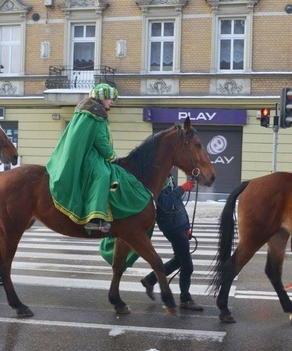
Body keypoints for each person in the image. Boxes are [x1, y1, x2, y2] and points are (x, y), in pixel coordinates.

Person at [46, 83, 151, 233]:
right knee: (103, 174)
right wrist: (112, 157)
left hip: (87, 153)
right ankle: (95, 218)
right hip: (90, 155)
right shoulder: (96, 114)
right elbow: (100, 140)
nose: (112, 102)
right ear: (102, 98)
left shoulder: (86, 112)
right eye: (110, 99)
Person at [139, 170, 202, 310]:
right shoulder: (158, 179)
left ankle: (150, 280)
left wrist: (186, 226)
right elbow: (164, 204)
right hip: (172, 227)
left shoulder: (168, 177)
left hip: (179, 225)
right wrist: (182, 188)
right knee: (187, 265)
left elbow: (178, 205)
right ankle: (185, 299)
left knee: (179, 260)